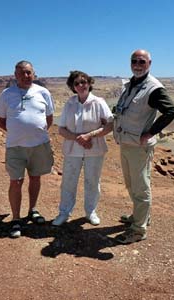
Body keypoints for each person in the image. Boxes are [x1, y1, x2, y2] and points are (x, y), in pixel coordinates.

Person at [113, 49, 174, 244]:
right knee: (131, 184)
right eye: (134, 61)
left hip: (138, 146)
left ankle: (138, 230)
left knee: (141, 187)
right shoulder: (132, 84)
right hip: (126, 142)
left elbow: (171, 111)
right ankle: (140, 216)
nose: (137, 64)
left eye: (142, 61)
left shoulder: (153, 88)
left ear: (149, 63)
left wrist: (151, 132)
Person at [0, 60, 55, 238]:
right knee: (16, 181)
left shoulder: (43, 92)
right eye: (21, 73)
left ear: (34, 74)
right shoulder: (7, 94)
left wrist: (34, 132)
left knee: (35, 178)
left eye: (28, 72)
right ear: (15, 75)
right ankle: (15, 218)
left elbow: (49, 119)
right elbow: (0, 121)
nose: (25, 76)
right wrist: (18, 132)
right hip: (15, 146)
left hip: (39, 145)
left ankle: (32, 210)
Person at [52, 71, 113, 226]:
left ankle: (91, 212)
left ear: (89, 83)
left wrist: (90, 136)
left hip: (95, 149)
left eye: (84, 82)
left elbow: (110, 125)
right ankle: (64, 213)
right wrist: (80, 139)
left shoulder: (99, 102)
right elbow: (61, 129)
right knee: (68, 182)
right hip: (73, 150)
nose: (81, 85)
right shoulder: (70, 103)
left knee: (92, 181)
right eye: (77, 83)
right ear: (73, 87)